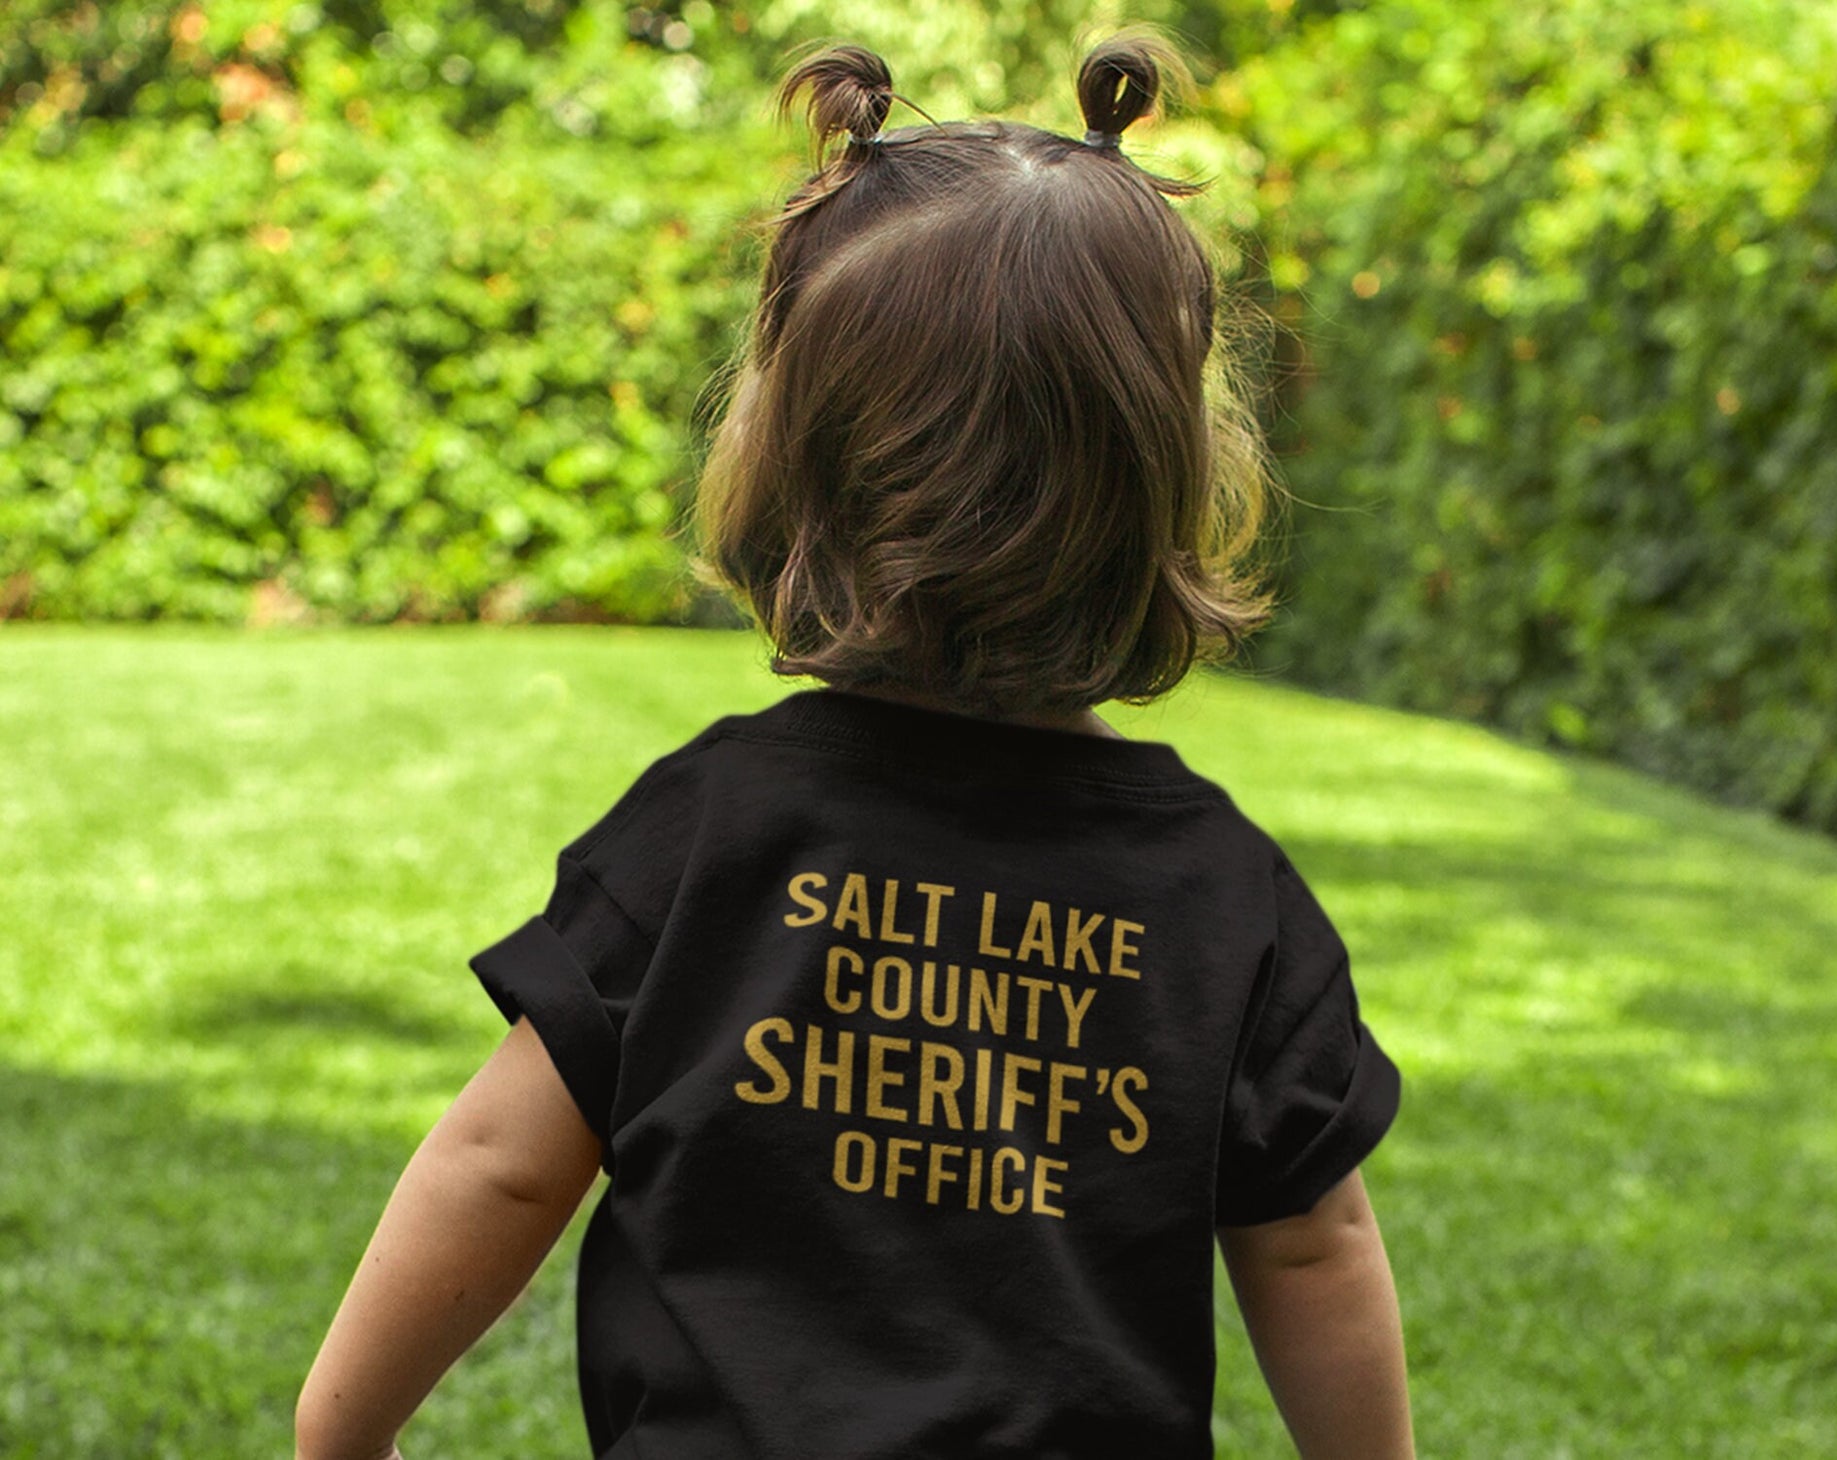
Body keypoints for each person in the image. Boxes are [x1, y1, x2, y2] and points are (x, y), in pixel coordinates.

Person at [295, 29, 1414, 1460]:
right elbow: (1311, 1247)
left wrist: (338, 1439)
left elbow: (503, 1161)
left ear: (796, 461)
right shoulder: (1220, 886)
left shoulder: (715, 822)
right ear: (1164, 479)